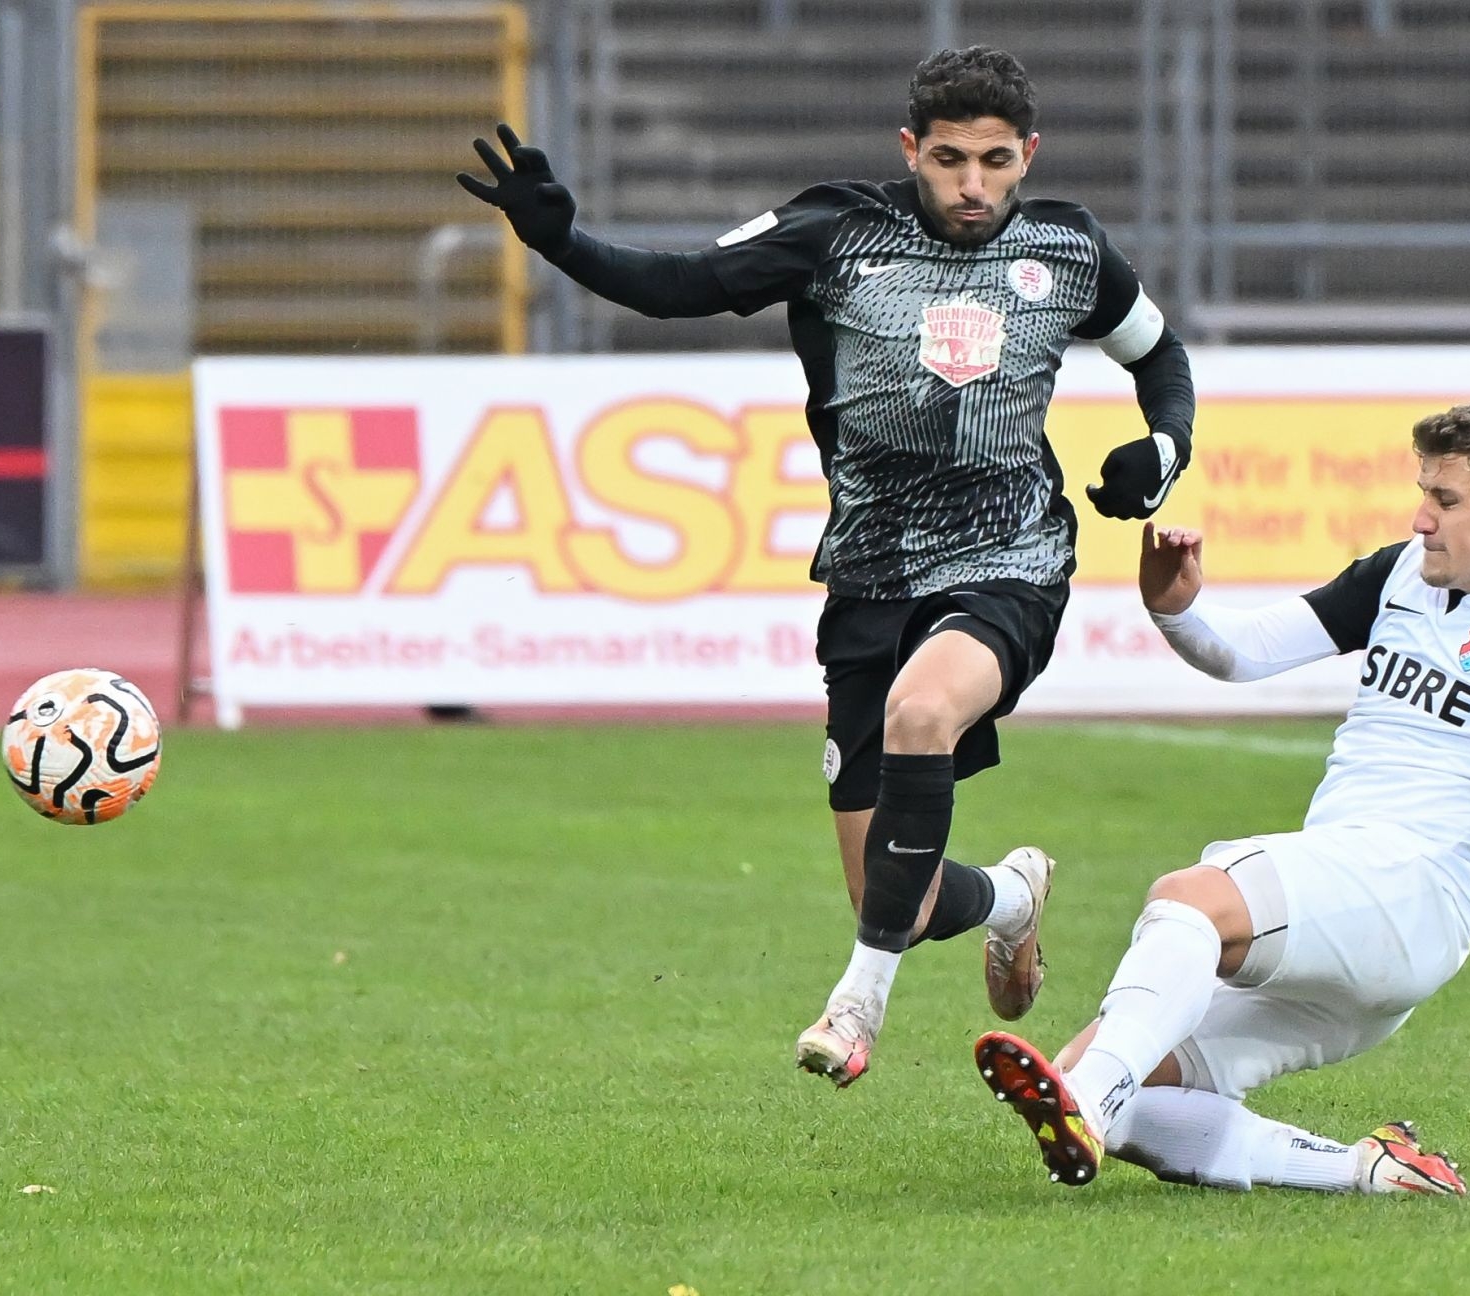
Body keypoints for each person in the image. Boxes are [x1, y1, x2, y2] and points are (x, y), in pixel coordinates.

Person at [458, 47, 1196, 1085]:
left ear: (1029, 155)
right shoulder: (834, 230)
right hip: (869, 576)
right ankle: (1013, 897)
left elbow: (1159, 355)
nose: (972, 185)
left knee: (922, 712)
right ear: (910, 149)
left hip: (1012, 558)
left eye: (995, 162)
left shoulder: (1068, 247)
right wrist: (561, 241)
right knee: (896, 898)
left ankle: (856, 1010)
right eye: (948, 160)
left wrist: (1163, 449)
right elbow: (680, 287)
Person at [974, 399, 1470, 1194]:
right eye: (1424, 493)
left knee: (1190, 901)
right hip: (1345, 912)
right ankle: (1365, 1170)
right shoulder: (1401, 574)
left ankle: (1086, 1101)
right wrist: (1175, 608)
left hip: (1413, 893)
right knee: (1111, 1077)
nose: (1422, 518)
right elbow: (1245, 653)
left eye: (1446, 500)